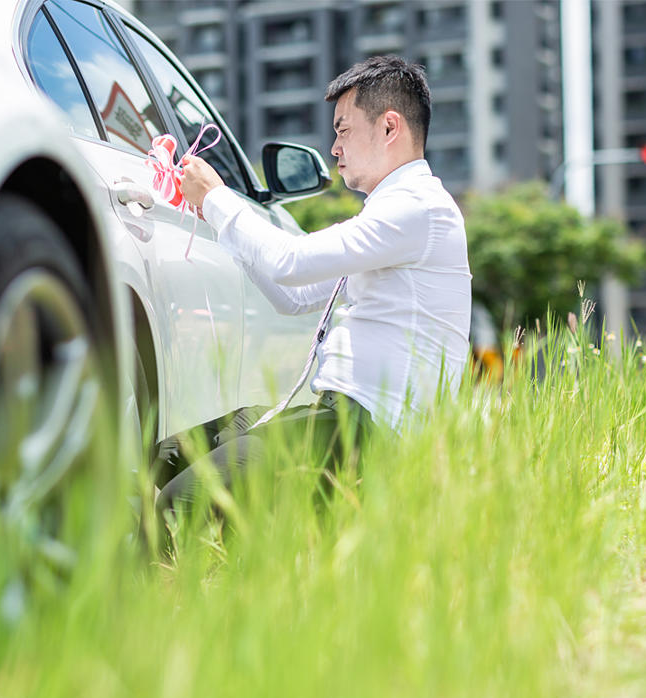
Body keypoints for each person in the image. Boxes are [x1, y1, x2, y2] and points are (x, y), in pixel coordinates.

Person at [150, 55, 471, 536]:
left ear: (389, 128)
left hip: (366, 434)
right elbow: (293, 296)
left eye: (343, 130)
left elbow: (291, 262)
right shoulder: (393, 213)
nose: (334, 148)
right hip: (337, 419)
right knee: (168, 454)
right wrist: (216, 223)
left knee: (180, 507)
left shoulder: (417, 208)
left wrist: (216, 198)